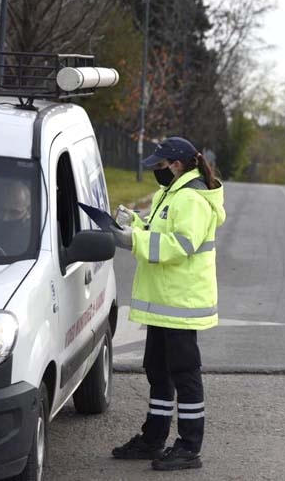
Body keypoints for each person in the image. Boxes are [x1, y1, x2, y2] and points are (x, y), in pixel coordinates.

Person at [109, 136, 225, 471]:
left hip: (181, 303)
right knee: (159, 373)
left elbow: (181, 244)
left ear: (176, 165)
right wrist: (135, 222)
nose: (155, 172)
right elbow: (160, 228)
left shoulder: (191, 198)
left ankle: (189, 447)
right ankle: (153, 438)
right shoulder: (171, 193)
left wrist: (133, 240)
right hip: (165, 302)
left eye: (159, 166)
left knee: (185, 376)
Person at [0, 179, 32, 255]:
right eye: (1, 210)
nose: (5, 218)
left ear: (29, 211)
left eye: (14, 212)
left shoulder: (33, 237)